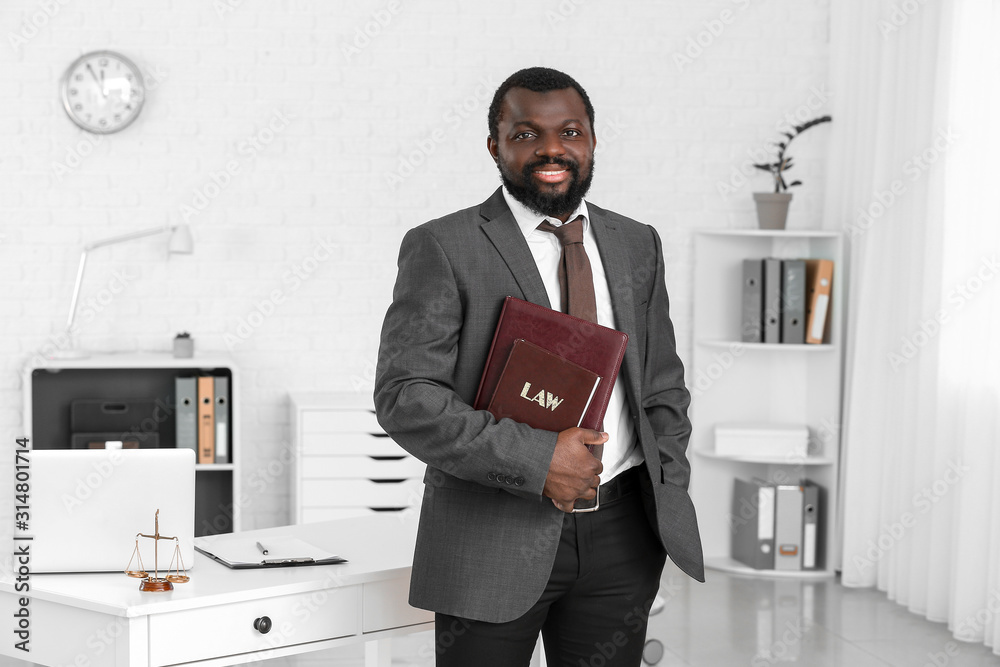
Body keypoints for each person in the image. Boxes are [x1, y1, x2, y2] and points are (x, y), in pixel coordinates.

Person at [374, 66, 703, 666]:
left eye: (569, 132)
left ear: (593, 141)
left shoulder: (636, 243)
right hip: (490, 534)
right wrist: (538, 460)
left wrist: (666, 482)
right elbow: (406, 395)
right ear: (494, 145)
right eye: (526, 134)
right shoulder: (444, 246)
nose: (552, 149)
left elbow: (661, 383)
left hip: (624, 533)